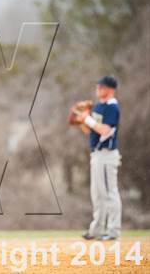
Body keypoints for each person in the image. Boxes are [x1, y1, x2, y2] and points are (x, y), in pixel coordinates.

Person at [78, 75, 122, 241]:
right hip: (96, 154)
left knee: (110, 193)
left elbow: (105, 130)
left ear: (110, 89)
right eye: (98, 87)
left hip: (107, 154)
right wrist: (82, 119)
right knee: (97, 194)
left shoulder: (112, 107)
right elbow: (89, 130)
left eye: (101, 87)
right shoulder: (99, 106)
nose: (98, 89)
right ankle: (96, 230)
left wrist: (87, 119)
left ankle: (113, 231)